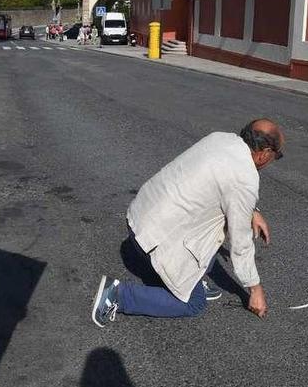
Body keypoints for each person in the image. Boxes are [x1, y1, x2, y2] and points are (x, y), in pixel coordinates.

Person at [91, 119, 285, 326]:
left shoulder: (221, 138)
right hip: (151, 239)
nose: (273, 159)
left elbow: (222, 184)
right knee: (193, 304)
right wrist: (255, 290)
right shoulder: (245, 178)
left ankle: (189, 279)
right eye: (276, 155)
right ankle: (117, 295)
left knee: (214, 225)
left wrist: (252, 210)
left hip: (138, 217)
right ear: (265, 152)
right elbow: (241, 243)